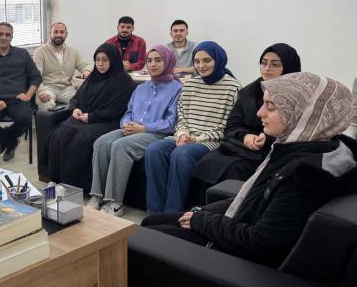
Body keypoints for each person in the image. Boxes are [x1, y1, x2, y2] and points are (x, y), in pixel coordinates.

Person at [142, 72, 357, 268]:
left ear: (303, 113)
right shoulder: (303, 147)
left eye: (271, 107)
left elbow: (259, 243)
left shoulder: (306, 177)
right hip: (236, 226)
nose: (260, 113)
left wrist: (203, 221)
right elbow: (257, 198)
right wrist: (204, 212)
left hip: (231, 260)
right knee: (150, 221)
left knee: (139, 238)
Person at [144, 42, 241, 213]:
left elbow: (228, 125)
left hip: (210, 141)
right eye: (196, 61)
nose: (201, 66)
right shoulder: (190, 85)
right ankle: (154, 211)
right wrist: (182, 134)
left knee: (182, 153)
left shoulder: (232, 87)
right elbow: (181, 117)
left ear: (218, 60)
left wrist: (196, 139)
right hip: (184, 137)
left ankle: (171, 213)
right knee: (154, 149)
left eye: (207, 60)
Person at [193, 43, 301, 195]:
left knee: (234, 169)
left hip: (272, 151)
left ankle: (228, 213)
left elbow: (299, 130)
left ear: (288, 67)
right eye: (264, 63)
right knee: (209, 161)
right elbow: (232, 124)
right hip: (240, 145)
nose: (267, 68)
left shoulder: (297, 95)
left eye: (275, 64)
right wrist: (246, 136)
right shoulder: (249, 92)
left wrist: (267, 137)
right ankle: (202, 210)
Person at [88, 45, 183, 216]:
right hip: (133, 129)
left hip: (157, 134)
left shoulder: (177, 89)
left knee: (120, 146)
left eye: (158, 60)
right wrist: (126, 124)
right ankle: (97, 196)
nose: (153, 64)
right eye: (149, 60)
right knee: (101, 142)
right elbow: (128, 112)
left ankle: (115, 202)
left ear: (168, 62)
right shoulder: (141, 88)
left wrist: (143, 128)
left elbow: (171, 123)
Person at [43, 44, 135, 193]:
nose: (100, 64)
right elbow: (76, 98)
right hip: (84, 117)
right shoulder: (92, 77)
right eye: (97, 60)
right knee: (58, 135)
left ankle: (74, 186)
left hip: (107, 121)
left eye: (105, 60)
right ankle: (56, 179)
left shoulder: (123, 81)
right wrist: (75, 109)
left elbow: (118, 109)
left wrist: (92, 117)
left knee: (81, 140)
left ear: (113, 60)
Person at [0, 22, 42, 161]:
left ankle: (6, 139)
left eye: (7, 35)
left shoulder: (22, 54)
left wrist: (28, 95)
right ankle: (11, 142)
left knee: (25, 118)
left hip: (17, 99)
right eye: (0, 34)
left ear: (12, 37)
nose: (4, 37)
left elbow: (36, 77)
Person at [33, 22, 91, 110]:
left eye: (61, 32)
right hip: (47, 88)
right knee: (47, 106)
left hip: (67, 88)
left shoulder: (73, 51)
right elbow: (36, 75)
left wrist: (86, 71)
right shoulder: (40, 52)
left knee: (86, 102)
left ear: (66, 34)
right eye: (55, 32)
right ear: (50, 34)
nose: (58, 34)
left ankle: (72, 123)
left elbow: (84, 65)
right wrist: (41, 92)